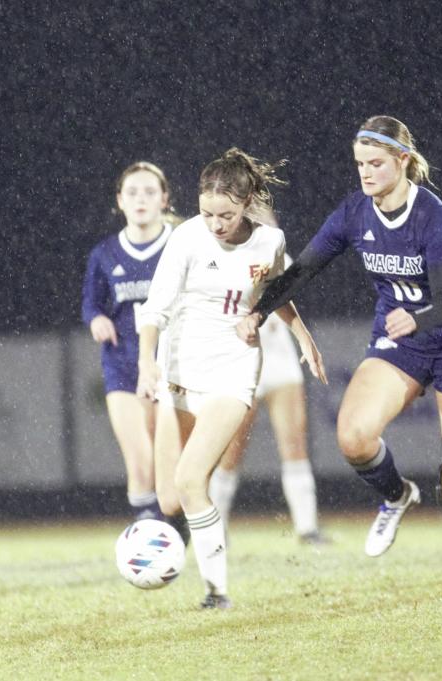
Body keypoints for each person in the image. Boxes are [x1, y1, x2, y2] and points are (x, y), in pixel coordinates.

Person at [238, 116, 442, 597]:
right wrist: (258, 311)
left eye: (376, 163)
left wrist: (416, 318)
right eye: (359, 164)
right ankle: (397, 497)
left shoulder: (432, 215)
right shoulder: (355, 212)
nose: (365, 172)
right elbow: (302, 271)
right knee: (354, 437)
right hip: (402, 337)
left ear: (403, 160)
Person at [136, 148, 327, 610]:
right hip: (180, 370)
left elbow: (279, 292)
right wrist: (146, 360)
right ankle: (194, 558)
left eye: (226, 215)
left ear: (246, 206)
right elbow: (156, 306)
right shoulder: (185, 238)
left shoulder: (269, 241)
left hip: (234, 369)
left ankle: (216, 592)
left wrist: (303, 336)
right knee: (168, 499)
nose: (216, 224)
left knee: (190, 479)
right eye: (207, 213)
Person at [208, 256, 328, 545]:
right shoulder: (214, 254)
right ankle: (214, 530)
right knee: (230, 452)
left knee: (295, 445)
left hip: (280, 361)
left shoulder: (274, 250)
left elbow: (287, 293)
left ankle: (307, 529)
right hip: (240, 359)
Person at [81, 161, 175, 522]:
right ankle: (149, 532)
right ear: (119, 200)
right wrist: (97, 318)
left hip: (171, 364)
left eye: (150, 192)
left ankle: (175, 526)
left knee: (170, 464)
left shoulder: (180, 245)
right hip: (122, 363)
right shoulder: (104, 254)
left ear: (164, 199)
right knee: (140, 462)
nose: (141, 199)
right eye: (132, 192)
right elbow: (90, 303)